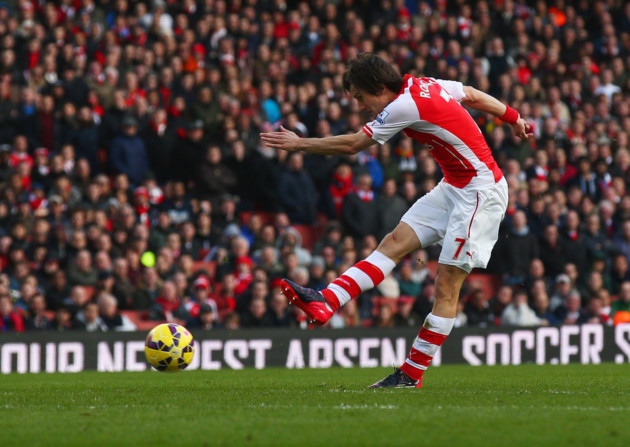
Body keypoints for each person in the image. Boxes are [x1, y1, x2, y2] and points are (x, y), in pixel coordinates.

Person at [260, 52, 531, 388]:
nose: (360, 106)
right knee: (392, 243)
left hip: (480, 194)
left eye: (360, 97)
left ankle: (410, 375)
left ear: (378, 87)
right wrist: (514, 117)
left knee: (446, 287)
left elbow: (353, 145)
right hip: (455, 186)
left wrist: (300, 144)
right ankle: (327, 300)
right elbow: (473, 94)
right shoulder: (425, 84)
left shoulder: (404, 105)